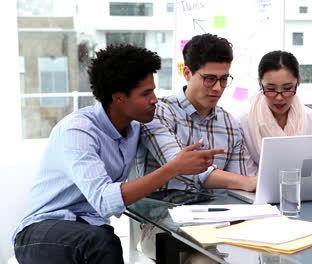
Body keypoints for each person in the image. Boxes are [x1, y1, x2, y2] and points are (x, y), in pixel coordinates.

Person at [12, 45, 223, 264]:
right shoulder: (78, 131)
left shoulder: (137, 126)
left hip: (92, 230)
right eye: (146, 93)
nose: (155, 99)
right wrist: (173, 168)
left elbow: (170, 143)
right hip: (40, 231)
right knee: (101, 242)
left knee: (110, 239)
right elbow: (104, 200)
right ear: (119, 98)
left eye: (153, 90)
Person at [137, 33, 256, 259]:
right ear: (187, 73)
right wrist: (249, 182)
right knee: (206, 258)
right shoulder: (159, 112)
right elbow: (181, 166)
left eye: (224, 79)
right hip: (162, 224)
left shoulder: (230, 124)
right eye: (209, 78)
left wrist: (247, 186)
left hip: (218, 221)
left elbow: (236, 190)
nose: (218, 88)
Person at [239, 50, 312, 176]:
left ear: (298, 83)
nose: (279, 97)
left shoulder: (310, 119)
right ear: (260, 84)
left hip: (302, 190)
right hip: (255, 191)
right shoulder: (244, 121)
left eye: (287, 89)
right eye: (271, 89)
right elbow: (247, 172)